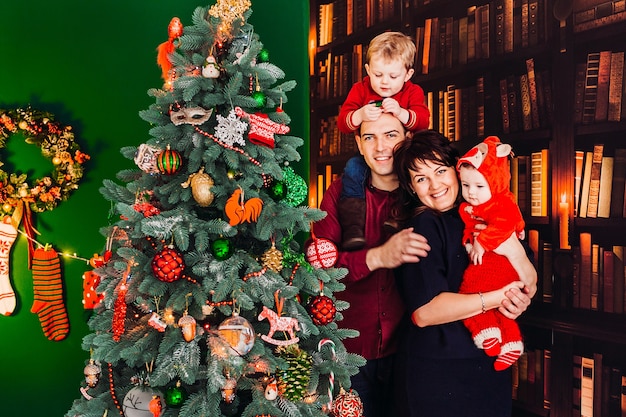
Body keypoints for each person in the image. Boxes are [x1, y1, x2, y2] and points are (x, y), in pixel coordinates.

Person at [391, 130, 537, 417]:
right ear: (411, 187)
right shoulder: (423, 226)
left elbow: (529, 282)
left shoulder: (486, 214)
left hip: (488, 367)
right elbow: (425, 313)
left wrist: (517, 278)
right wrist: (498, 297)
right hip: (439, 372)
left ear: (457, 168)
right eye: (421, 179)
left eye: (440, 171)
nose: (435, 186)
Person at [312, 113, 431, 417]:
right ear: (359, 145)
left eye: (390, 135)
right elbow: (319, 268)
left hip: (411, 352)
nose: (381, 147)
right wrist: (378, 256)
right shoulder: (338, 194)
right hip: (348, 353)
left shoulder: (425, 192)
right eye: (370, 137)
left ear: (407, 138)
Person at [336, 31, 430, 251]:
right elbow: (343, 123)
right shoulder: (360, 90)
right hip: (368, 156)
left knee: (410, 174)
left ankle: (400, 215)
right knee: (352, 169)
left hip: (402, 153)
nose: (385, 82)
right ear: (368, 71)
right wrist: (358, 115)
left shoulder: (412, 92)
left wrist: (402, 113)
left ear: (408, 74)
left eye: (393, 76)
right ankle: (353, 227)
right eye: (378, 75)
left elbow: (422, 120)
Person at [456, 136, 526, 371]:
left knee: (469, 292)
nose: (471, 193)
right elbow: (470, 225)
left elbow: (506, 223)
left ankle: (484, 331)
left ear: (495, 183)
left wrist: (480, 243)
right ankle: (512, 341)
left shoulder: (500, 202)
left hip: (497, 262)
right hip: (497, 264)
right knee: (500, 305)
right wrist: (468, 240)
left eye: (479, 186)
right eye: (466, 186)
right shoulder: (475, 206)